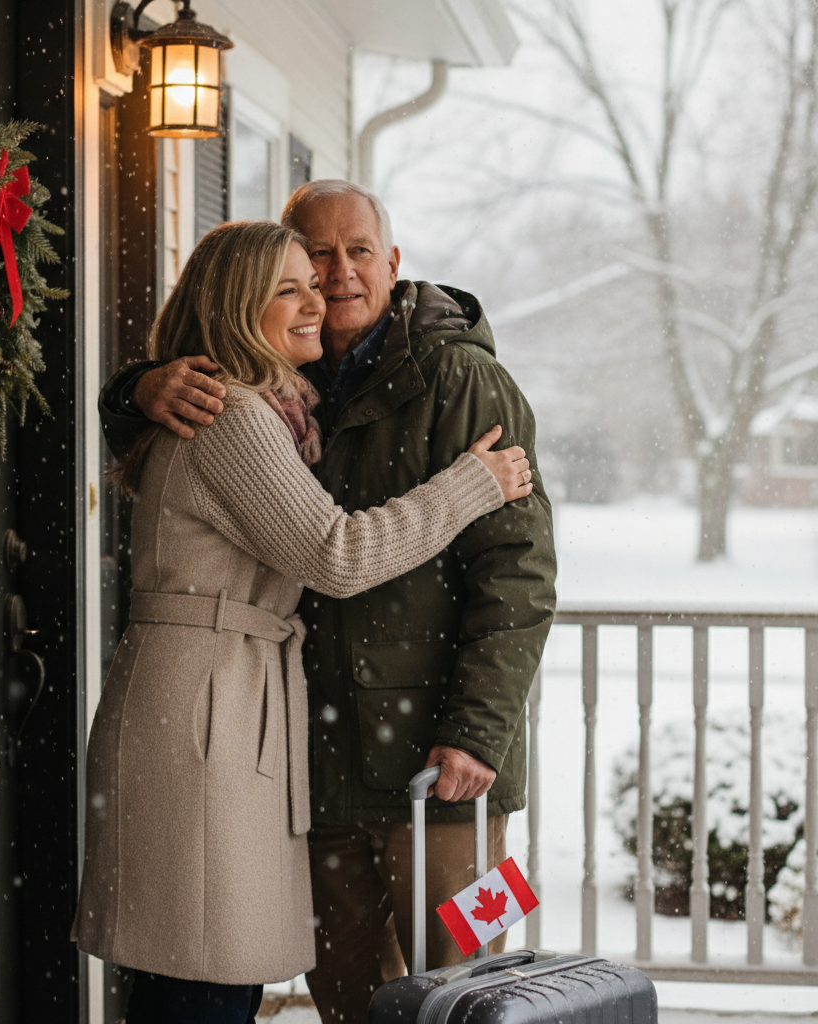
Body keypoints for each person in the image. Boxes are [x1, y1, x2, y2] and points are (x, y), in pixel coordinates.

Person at [103, 182, 557, 1024]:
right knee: (348, 998)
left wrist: (478, 730)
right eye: (315, 257)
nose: (336, 274)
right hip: (308, 770)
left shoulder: (464, 380)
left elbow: (520, 574)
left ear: (394, 262)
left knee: (475, 986)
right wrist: (134, 391)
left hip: (446, 770)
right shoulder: (276, 378)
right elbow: (190, 447)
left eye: (359, 251)